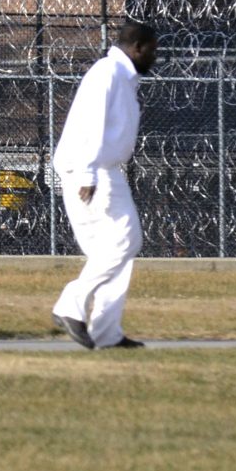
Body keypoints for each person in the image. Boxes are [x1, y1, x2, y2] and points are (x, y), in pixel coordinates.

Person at [50, 21, 160, 350]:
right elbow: (89, 121)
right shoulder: (108, 72)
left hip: (103, 169)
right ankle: (71, 304)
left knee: (113, 252)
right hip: (94, 171)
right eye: (152, 50)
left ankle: (105, 332)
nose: (155, 57)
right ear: (137, 47)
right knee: (127, 240)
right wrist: (87, 173)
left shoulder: (122, 77)